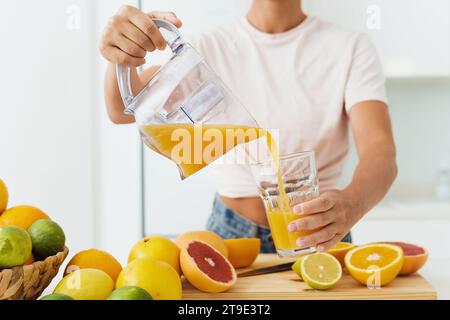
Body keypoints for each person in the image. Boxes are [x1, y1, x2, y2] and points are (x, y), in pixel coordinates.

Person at [100, 0, 397, 253]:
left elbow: (380, 153)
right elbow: (121, 110)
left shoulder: (350, 47)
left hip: (322, 234)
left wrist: (351, 204)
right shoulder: (207, 48)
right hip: (230, 235)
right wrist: (123, 56)